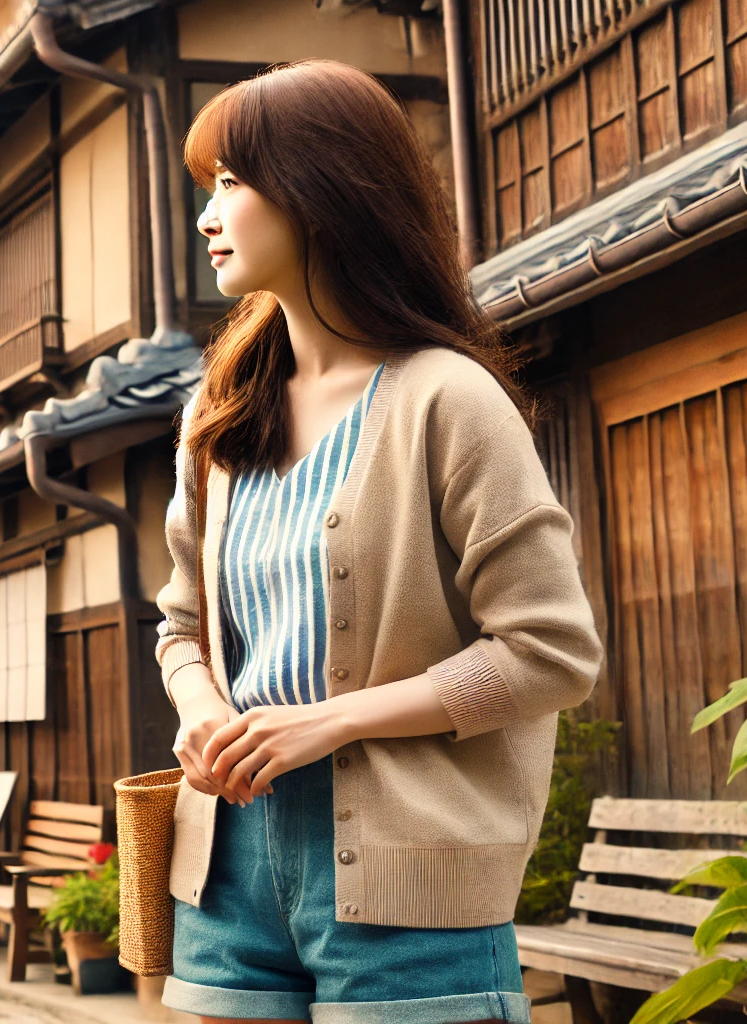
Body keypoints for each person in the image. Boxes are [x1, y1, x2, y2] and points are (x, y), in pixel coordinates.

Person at [154, 60, 601, 1024]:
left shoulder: (448, 398)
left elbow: (551, 653)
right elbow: (180, 623)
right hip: (226, 869)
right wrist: (197, 706)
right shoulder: (218, 417)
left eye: (232, 182)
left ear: (319, 188)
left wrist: (336, 719)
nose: (207, 217)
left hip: (412, 891)